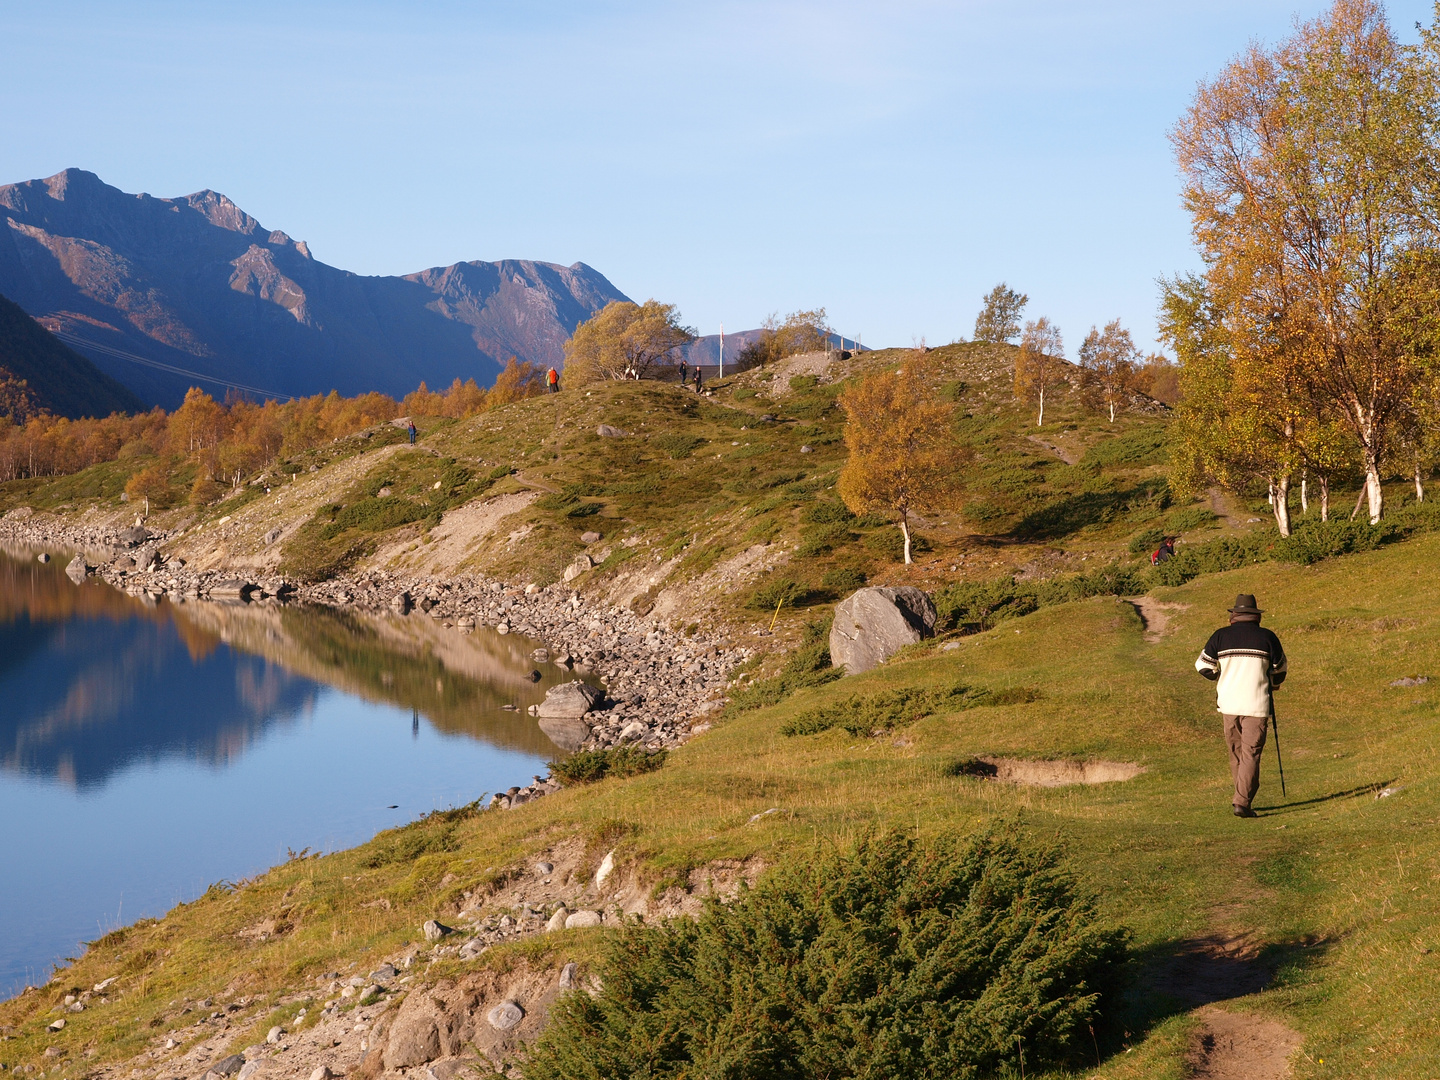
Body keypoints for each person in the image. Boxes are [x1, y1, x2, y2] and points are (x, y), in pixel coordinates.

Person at [1195, 594, 1287, 818]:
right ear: (1256, 617)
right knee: (1251, 753)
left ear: (1234, 615)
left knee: (1236, 753)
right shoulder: (1268, 637)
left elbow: (1202, 666)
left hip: (1228, 703)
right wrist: (1272, 684)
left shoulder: (1220, 636)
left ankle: (1241, 797)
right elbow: (1280, 670)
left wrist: (1221, 677)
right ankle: (1242, 802)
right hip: (1256, 704)